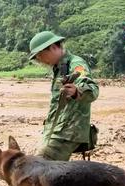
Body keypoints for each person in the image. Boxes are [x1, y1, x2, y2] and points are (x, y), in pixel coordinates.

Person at [29, 31, 99, 162]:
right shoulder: (60, 68)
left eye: (40, 55)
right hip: (56, 129)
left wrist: (77, 91)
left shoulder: (76, 63)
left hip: (67, 131)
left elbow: (93, 90)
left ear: (54, 47)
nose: (39, 60)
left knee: (41, 166)